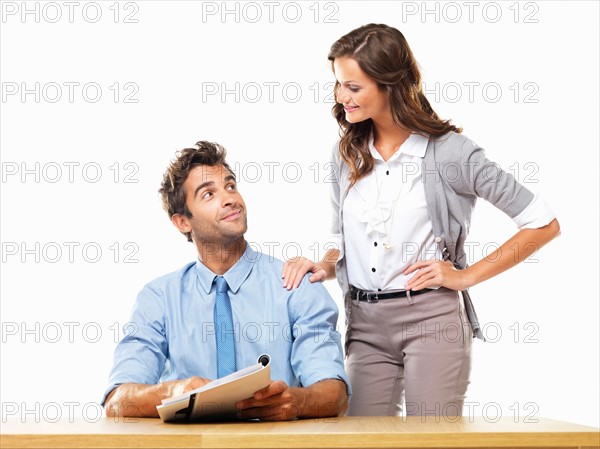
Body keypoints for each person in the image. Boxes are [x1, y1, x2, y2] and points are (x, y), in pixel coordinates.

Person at [282, 23, 560, 417]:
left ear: (389, 85)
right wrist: (325, 264)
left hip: (432, 320)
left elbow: (542, 222)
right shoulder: (345, 153)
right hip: (364, 324)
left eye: (354, 87)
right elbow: (338, 238)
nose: (342, 97)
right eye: (338, 85)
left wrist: (464, 277)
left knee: (431, 440)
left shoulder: (451, 154)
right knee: (360, 439)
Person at [102, 141, 349, 420]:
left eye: (230, 186)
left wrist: (298, 401)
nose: (230, 198)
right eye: (208, 194)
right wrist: (175, 391)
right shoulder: (158, 298)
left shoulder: (296, 285)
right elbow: (117, 402)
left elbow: (336, 395)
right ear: (183, 222)